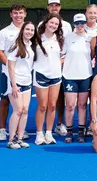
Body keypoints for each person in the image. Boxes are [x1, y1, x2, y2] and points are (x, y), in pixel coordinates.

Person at [6, 21, 46, 149]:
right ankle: (11, 140)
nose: (29, 32)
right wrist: (14, 85)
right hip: (15, 82)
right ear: (22, 30)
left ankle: (20, 138)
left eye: (32, 30)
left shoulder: (31, 45)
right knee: (17, 110)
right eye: (27, 29)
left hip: (27, 82)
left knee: (25, 110)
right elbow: (10, 66)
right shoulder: (15, 45)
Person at [0, 4, 27, 141]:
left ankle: (20, 130)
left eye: (20, 13)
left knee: (23, 104)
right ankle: (2, 130)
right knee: (5, 101)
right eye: (15, 13)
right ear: (11, 15)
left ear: (25, 14)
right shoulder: (4, 32)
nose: (18, 15)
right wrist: (10, 67)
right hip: (8, 73)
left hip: (25, 74)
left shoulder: (31, 30)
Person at [61, 14, 93, 143]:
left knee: (82, 105)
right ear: (74, 24)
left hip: (85, 75)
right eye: (77, 23)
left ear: (86, 23)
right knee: (70, 105)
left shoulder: (90, 37)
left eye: (82, 22)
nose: (80, 25)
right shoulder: (67, 38)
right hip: (69, 76)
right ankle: (69, 131)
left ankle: (81, 131)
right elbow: (61, 55)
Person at [34, 13, 64, 145]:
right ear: (46, 23)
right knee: (42, 106)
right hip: (40, 74)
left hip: (56, 76)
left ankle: (49, 133)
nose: (53, 25)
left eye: (56, 24)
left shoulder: (60, 39)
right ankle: (39, 134)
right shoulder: (37, 38)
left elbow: (64, 55)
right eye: (51, 23)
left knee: (52, 106)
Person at [46, 0, 72, 137]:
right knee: (45, 98)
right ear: (48, 7)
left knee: (61, 95)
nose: (54, 7)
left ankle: (60, 123)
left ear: (60, 7)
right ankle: (45, 126)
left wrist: (64, 60)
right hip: (46, 66)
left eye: (57, 5)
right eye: (52, 5)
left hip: (63, 65)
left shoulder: (67, 25)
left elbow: (69, 45)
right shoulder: (41, 25)